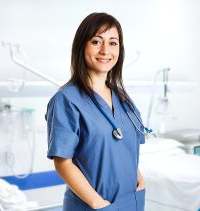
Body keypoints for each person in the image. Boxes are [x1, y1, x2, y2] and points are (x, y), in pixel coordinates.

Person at [45, 12, 146, 211]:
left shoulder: (122, 97)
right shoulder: (66, 100)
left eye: (113, 43)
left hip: (131, 201)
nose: (105, 50)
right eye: (96, 41)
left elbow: (128, 152)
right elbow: (62, 162)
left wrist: (140, 183)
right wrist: (98, 204)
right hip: (94, 206)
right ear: (82, 45)